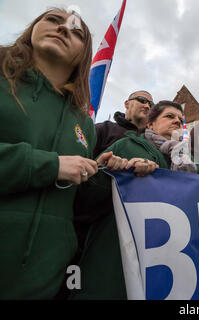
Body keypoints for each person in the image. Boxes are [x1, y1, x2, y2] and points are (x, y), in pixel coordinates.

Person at [0, 8, 131, 299]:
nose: (63, 29)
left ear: (83, 54)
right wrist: (50, 165)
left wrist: (104, 174)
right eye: (54, 20)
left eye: (76, 31)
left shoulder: (83, 122)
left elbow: (74, 202)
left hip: (45, 280)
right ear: (32, 28)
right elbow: (55, 169)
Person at [70, 103, 199, 300]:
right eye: (169, 116)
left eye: (180, 119)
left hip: (170, 271)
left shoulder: (192, 162)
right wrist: (112, 171)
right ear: (150, 124)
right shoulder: (126, 146)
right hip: (117, 266)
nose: (177, 121)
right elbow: (84, 201)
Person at [93, 90, 154, 158]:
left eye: (151, 105)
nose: (147, 106)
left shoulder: (153, 140)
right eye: (142, 100)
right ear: (127, 104)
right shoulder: (104, 129)